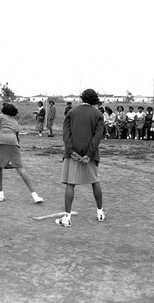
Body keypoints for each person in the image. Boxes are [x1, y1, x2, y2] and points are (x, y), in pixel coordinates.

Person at [0, 103, 44, 204]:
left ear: (4, 110)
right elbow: (17, 135)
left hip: (0, 141)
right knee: (20, 169)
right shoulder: (15, 121)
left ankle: (1, 194)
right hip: (13, 142)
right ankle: (35, 195)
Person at [55, 89, 105, 227]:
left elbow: (66, 135)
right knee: (95, 181)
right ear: (95, 100)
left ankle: (67, 218)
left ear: (81, 98)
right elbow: (97, 137)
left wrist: (72, 152)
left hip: (73, 154)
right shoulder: (98, 114)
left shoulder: (71, 112)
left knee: (70, 184)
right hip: (90, 155)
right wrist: (88, 155)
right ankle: (100, 213)